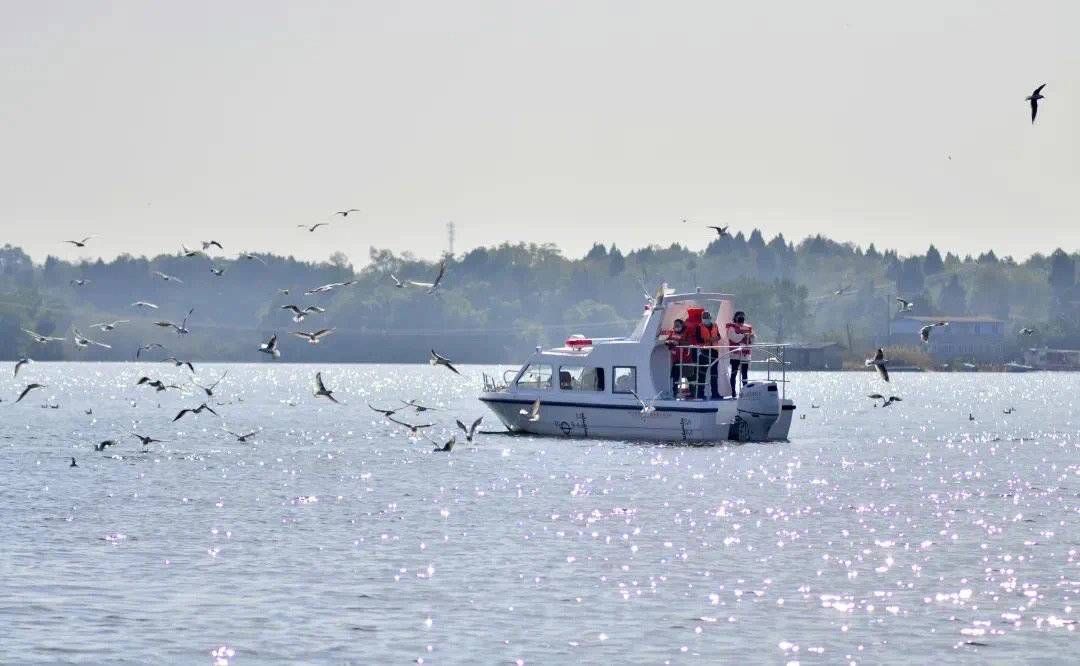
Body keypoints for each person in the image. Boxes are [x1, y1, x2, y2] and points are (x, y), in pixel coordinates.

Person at [666, 318, 698, 397]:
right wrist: (669, 342)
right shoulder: (672, 333)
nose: (676, 326)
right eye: (675, 325)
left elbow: (689, 342)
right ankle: (675, 393)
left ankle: (693, 393)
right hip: (676, 360)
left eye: (678, 325)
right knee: (675, 378)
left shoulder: (687, 333)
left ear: (682, 325)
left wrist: (678, 342)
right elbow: (667, 341)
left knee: (690, 377)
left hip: (686, 360)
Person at [725, 310, 754, 397]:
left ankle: (745, 392)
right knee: (734, 373)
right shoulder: (731, 328)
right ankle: (733, 392)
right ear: (735, 318)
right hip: (735, 354)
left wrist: (750, 337)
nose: (741, 318)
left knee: (744, 373)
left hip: (745, 354)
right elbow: (734, 338)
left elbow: (752, 340)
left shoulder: (747, 328)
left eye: (742, 316)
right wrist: (743, 336)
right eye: (739, 316)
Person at [697, 310, 721, 399]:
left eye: (707, 317)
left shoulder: (715, 325)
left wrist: (715, 338)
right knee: (702, 374)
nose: (706, 319)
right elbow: (698, 340)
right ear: (702, 319)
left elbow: (719, 336)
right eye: (704, 317)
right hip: (704, 352)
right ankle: (700, 394)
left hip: (714, 351)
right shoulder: (699, 327)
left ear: (710, 318)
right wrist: (709, 340)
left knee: (714, 374)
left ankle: (715, 393)